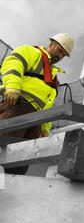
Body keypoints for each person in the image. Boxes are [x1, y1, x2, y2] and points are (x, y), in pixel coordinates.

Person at [0, 33, 74, 175]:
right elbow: (14, 62)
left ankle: (7, 189)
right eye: (60, 51)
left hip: (36, 120)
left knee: (21, 159)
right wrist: (13, 86)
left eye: (64, 55)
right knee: (3, 147)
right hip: (18, 105)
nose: (60, 57)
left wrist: (45, 128)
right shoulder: (33, 52)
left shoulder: (53, 79)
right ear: (51, 44)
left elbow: (47, 105)